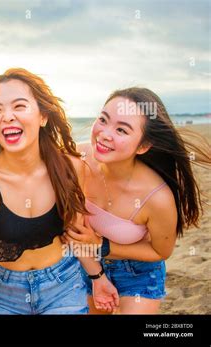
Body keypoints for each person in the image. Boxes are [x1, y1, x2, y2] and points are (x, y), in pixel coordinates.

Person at [0, 68, 119, 314]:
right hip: (2, 292)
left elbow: (75, 235)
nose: (7, 116)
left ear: (43, 116)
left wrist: (98, 277)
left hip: (63, 282)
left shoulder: (70, 168)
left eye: (19, 106)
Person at [62, 87, 211, 314]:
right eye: (103, 120)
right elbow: (73, 234)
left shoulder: (157, 197)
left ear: (143, 146)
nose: (104, 133)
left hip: (139, 273)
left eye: (121, 129)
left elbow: (161, 252)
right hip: (86, 264)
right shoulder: (76, 160)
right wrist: (97, 275)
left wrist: (100, 246)